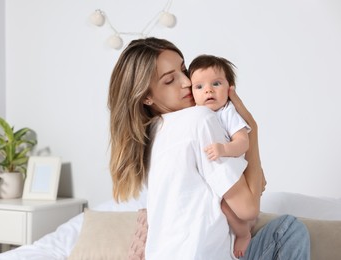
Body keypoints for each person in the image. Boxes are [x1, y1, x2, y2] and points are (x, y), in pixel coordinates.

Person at [108, 37, 310, 259]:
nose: (186, 82)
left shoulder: (151, 134)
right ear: (146, 96)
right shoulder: (199, 119)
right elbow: (248, 209)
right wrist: (251, 127)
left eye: (184, 70)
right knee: (289, 230)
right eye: (169, 80)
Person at [189, 54, 253, 258]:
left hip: (233, 174)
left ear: (229, 88)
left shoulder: (227, 112)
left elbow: (243, 142)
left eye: (216, 83)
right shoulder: (194, 115)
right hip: (211, 175)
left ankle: (243, 234)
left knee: (227, 206)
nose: (208, 90)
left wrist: (224, 149)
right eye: (199, 87)